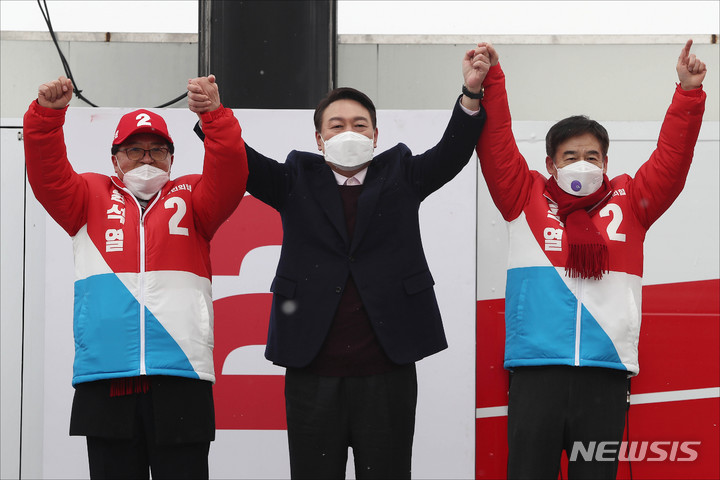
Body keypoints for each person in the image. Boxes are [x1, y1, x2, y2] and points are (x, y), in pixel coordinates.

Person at [188, 44, 490, 478]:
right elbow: (241, 161)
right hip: (313, 370)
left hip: (388, 369)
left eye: (359, 124)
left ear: (374, 134)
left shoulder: (403, 173)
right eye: (337, 124)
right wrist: (213, 114)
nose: (349, 132)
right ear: (319, 137)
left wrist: (470, 93)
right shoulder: (294, 177)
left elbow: (452, 152)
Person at [475, 40, 707, 479]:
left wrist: (688, 93)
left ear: (605, 161)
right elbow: (497, 143)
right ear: (550, 163)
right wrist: (493, 79)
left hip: (604, 374)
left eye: (591, 156)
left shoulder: (633, 201)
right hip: (535, 373)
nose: (582, 164)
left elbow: (672, 161)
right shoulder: (523, 195)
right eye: (570, 156)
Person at [22, 74, 248, 479]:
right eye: (134, 151)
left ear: (172, 159)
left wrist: (214, 116)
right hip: (106, 376)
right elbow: (47, 174)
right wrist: (47, 117)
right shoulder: (87, 196)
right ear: (115, 159)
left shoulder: (194, 198)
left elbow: (231, 174)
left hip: (181, 375)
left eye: (157, 151)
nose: (146, 160)